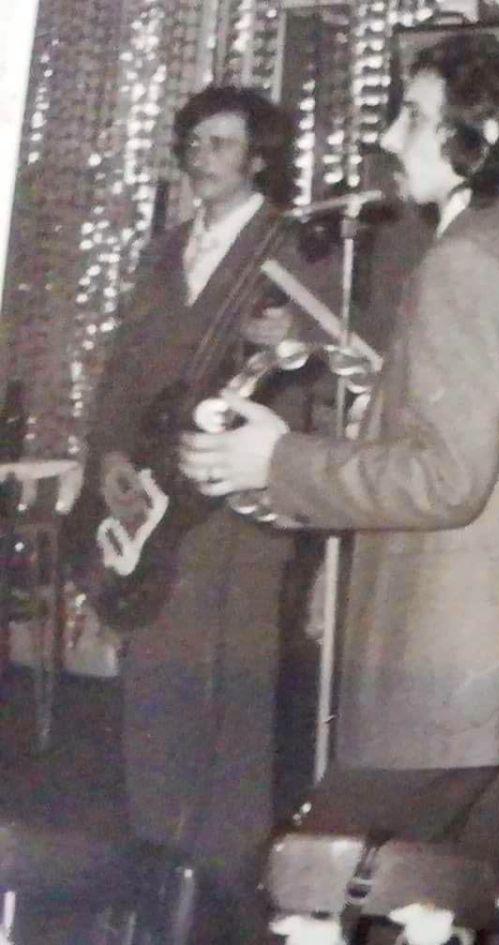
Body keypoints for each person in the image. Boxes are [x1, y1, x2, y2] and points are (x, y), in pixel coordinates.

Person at [177, 33, 499, 863]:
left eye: (414, 116)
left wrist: (277, 461)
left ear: (483, 139)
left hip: (451, 681)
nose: (390, 137)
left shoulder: (465, 261)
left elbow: (445, 478)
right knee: (472, 907)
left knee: (315, 889)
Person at [75, 85, 332, 943]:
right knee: (155, 694)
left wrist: (294, 341)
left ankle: (223, 903)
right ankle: (156, 880)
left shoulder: (291, 248)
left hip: (237, 516)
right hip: (151, 510)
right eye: (193, 140)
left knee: (233, 711)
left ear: (258, 158)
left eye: (221, 142)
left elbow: (331, 364)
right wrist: (110, 455)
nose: (201, 155)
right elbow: (122, 370)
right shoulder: (165, 250)